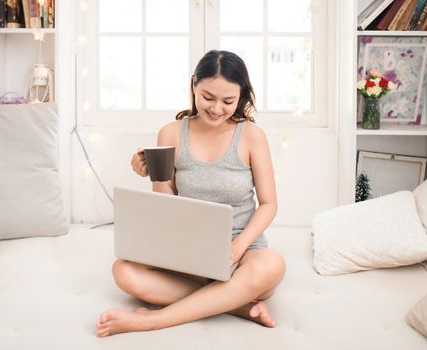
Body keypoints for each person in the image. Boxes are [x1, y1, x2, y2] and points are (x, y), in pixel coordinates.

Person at [96, 50, 286, 336]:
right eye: (208, 97)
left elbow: (269, 204)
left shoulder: (251, 136)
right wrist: (155, 174)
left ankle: (149, 321)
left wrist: (237, 248)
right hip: (189, 252)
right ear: (193, 85)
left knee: (272, 265)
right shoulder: (171, 132)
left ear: (242, 96)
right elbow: (165, 206)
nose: (217, 108)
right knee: (123, 271)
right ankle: (237, 305)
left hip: (243, 253)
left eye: (228, 101)